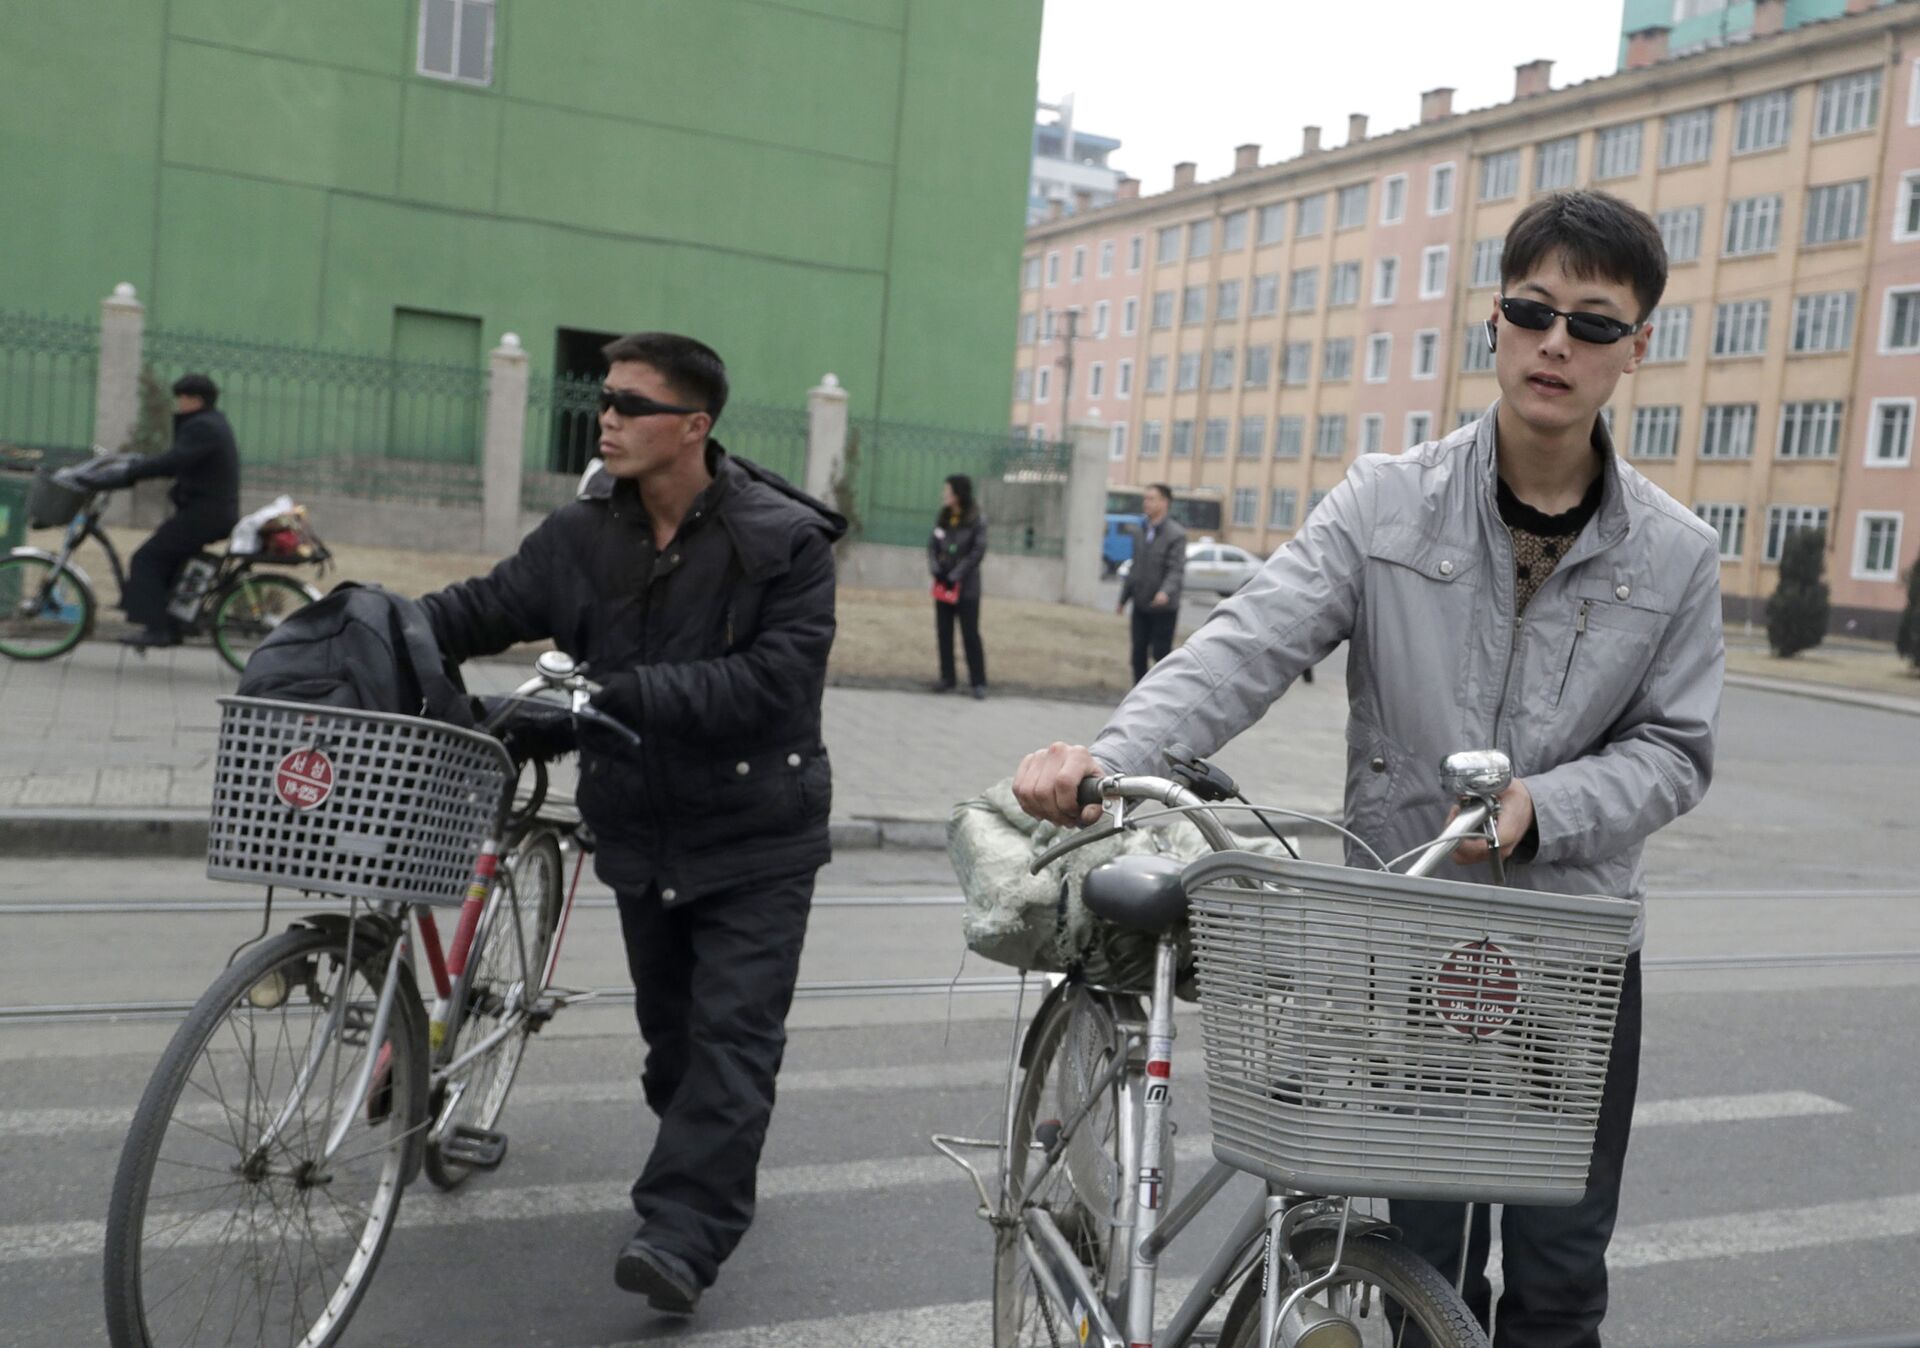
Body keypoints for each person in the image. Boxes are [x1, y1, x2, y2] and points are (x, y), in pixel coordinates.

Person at [1013, 190, 1725, 1348]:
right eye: (1533, 309)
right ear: (1493, 322)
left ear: (1637, 348)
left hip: (1575, 967)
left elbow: (1675, 753)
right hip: (1410, 940)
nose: (1558, 343)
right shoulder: (1387, 502)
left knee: (1559, 1284)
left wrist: (1544, 808)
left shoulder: (1677, 554)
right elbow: (1248, 643)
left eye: (1594, 323)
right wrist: (1107, 756)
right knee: (1419, 1263)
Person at [418, 332, 845, 1316]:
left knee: (732, 1036)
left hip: (758, 833)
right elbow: (487, 605)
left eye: (629, 402)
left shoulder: (782, 541)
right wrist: (377, 624)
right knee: (675, 1043)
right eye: (601, 398)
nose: (604, 416)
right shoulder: (584, 531)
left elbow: (773, 683)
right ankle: (701, 1150)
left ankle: (685, 1231)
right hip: (642, 828)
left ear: (693, 426)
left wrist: (607, 692)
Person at [118, 373, 241, 648]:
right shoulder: (211, 423)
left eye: (181, 399)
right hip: (209, 512)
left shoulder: (203, 427)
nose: (178, 405)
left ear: (195, 400)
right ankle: (173, 626)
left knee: (147, 558)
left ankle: (156, 629)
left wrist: (132, 472)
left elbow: (174, 460)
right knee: (170, 561)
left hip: (205, 514)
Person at [1117, 482, 1186, 683]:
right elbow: (1135, 567)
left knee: (1160, 654)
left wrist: (1165, 592)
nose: (1146, 503)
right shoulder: (1140, 530)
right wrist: (1124, 599)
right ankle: (1138, 695)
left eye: (1151, 499)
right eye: (1145, 499)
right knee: (1137, 653)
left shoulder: (1176, 534)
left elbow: (1176, 569)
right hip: (1141, 603)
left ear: (1164, 502)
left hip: (1164, 608)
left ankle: (1165, 694)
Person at [928, 472, 988, 698]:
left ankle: (978, 682)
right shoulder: (943, 517)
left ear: (959, 494)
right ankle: (947, 678)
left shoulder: (976, 519)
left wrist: (956, 574)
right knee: (944, 631)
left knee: (970, 633)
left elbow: (977, 552)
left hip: (966, 588)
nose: (945, 495)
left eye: (948, 491)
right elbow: (932, 546)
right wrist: (937, 570)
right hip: (943, 585)